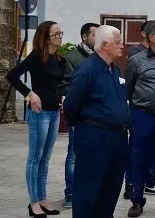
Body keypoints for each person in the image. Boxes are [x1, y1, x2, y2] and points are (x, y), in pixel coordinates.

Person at [63, 25, 131, 218]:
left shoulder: (115, 69)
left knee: (110, 189)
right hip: (95, 138)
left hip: (118, 138)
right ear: (105, 45)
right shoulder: (87, 70)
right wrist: (87, 126)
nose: (122, 46)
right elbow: (71, 105)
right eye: (118, 42)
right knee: (88, 190)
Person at [6, 20, 65, 218]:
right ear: (46, 37)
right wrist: (30, 94)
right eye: (56, 34)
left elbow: (57, 83)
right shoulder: (36, 56)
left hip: (54, 112)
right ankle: (33, 203)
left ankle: (42, 198)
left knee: (46, 158)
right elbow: (12, 76)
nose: (60, 37)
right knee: (35, 157)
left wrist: (61, 97)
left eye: (61, 33)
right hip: (39, 114)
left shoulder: (57, 58)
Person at [125, 20, 155, 217]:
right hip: (142, 116)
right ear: (152, 38)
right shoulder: (137, 61)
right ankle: (136, 200)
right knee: (139, 159)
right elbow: (129, 90)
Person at [58, 22, 99, 208]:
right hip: (80, 113)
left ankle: (89, 191)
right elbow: (64, 85)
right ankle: (71, 193)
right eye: (94, 35)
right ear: (84, 37)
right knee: (74, 154)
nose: (97, 39)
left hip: (97, 116)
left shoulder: (101, 57)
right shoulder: (72, 58)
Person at [124, 19, 151, 200]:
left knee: (154, 152)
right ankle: (131, 186)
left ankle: (150, 180)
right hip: (140, 112)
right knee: (136, 151)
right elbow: (130, 86)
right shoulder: (136, 54)